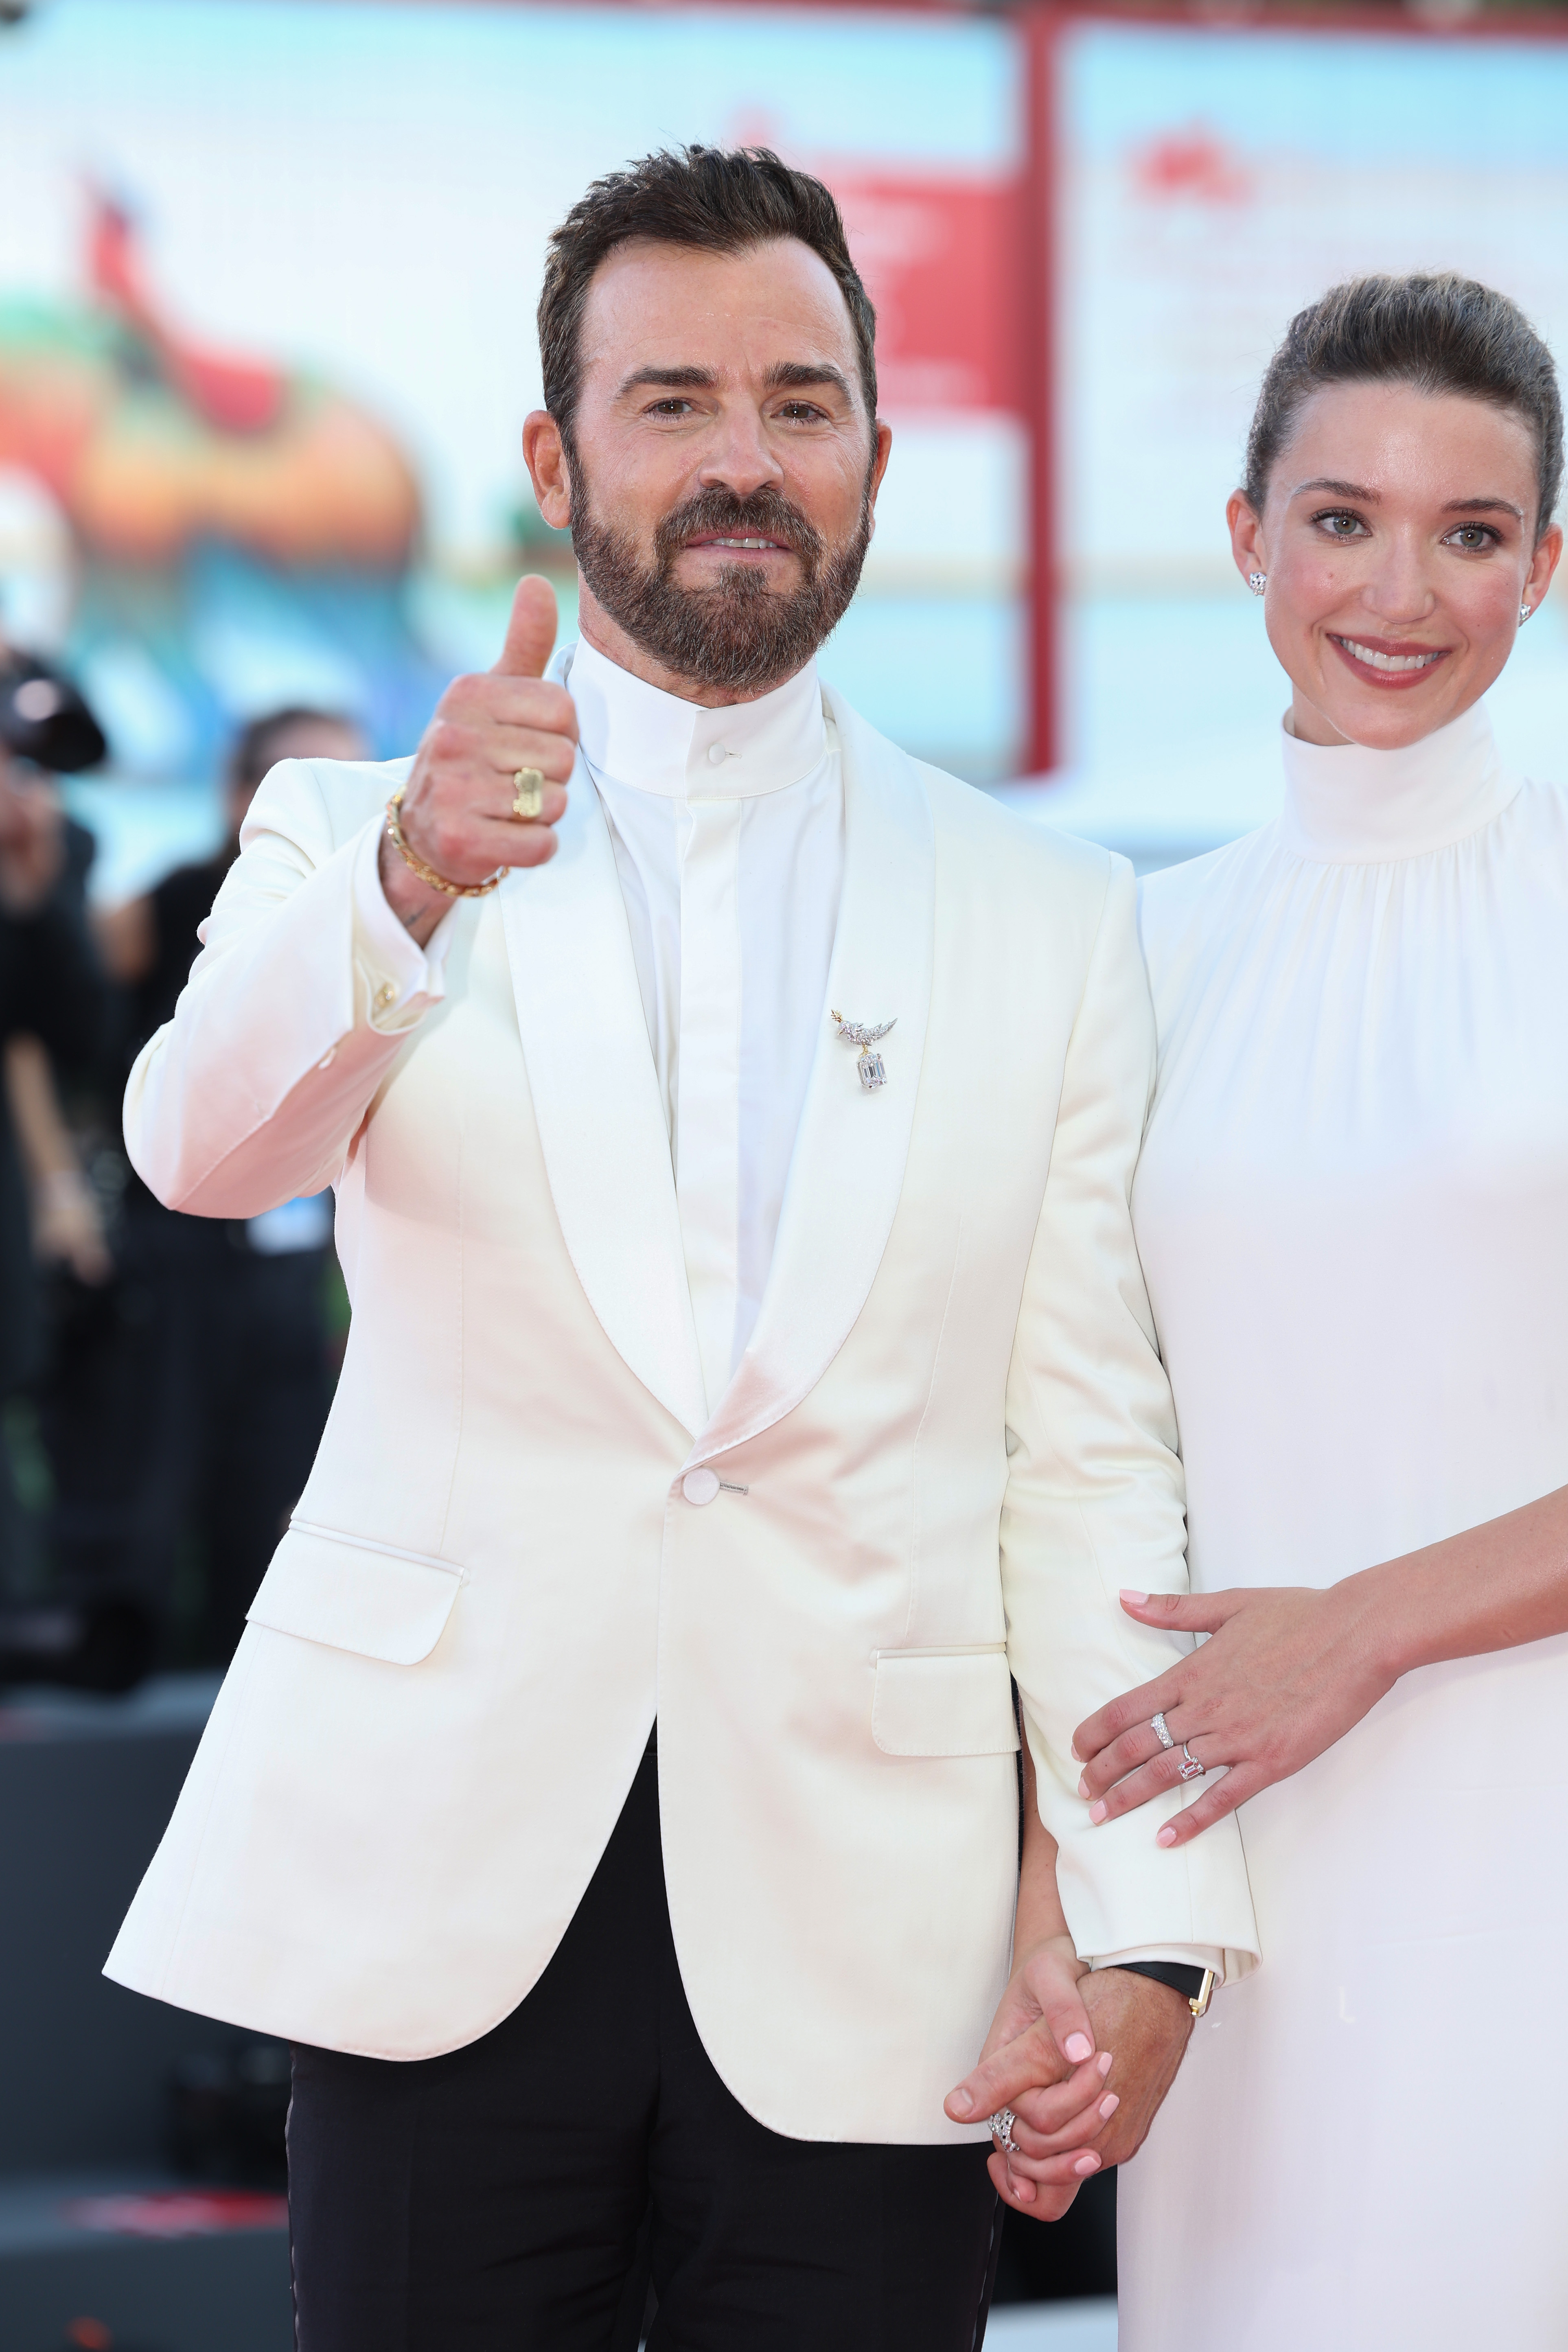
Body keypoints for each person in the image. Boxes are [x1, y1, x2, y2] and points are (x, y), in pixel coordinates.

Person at [105, 148, 1257, 2350]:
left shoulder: (1050, 916)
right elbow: (200, 1153)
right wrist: (415, 879)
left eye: (800, 403)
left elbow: (1085, 1460)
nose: (744, 461)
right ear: (554, 456)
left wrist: (1139, 1922)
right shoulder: (364, 832)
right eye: (671, 402)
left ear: (874, 457)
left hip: (871, 1937)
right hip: (438, 1897)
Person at [1059, 274, 1568, 2349]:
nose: (1403, 587)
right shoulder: (1132, 946)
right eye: (1343, 516)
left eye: (1472, 532)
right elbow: (1078, 1444)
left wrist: (1358, 1628)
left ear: (1545, 565)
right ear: (1247, 529)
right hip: (1230, 1863)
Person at [41, 706, 369, 1663]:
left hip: (299, 1258)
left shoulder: (393, 919)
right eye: (315, 780)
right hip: (178, 1248)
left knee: (279, 1487)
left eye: (359, 781)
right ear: (243, 799)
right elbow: (76, 1025)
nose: (346, 806)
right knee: (150, 1479)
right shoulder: (182, 895)